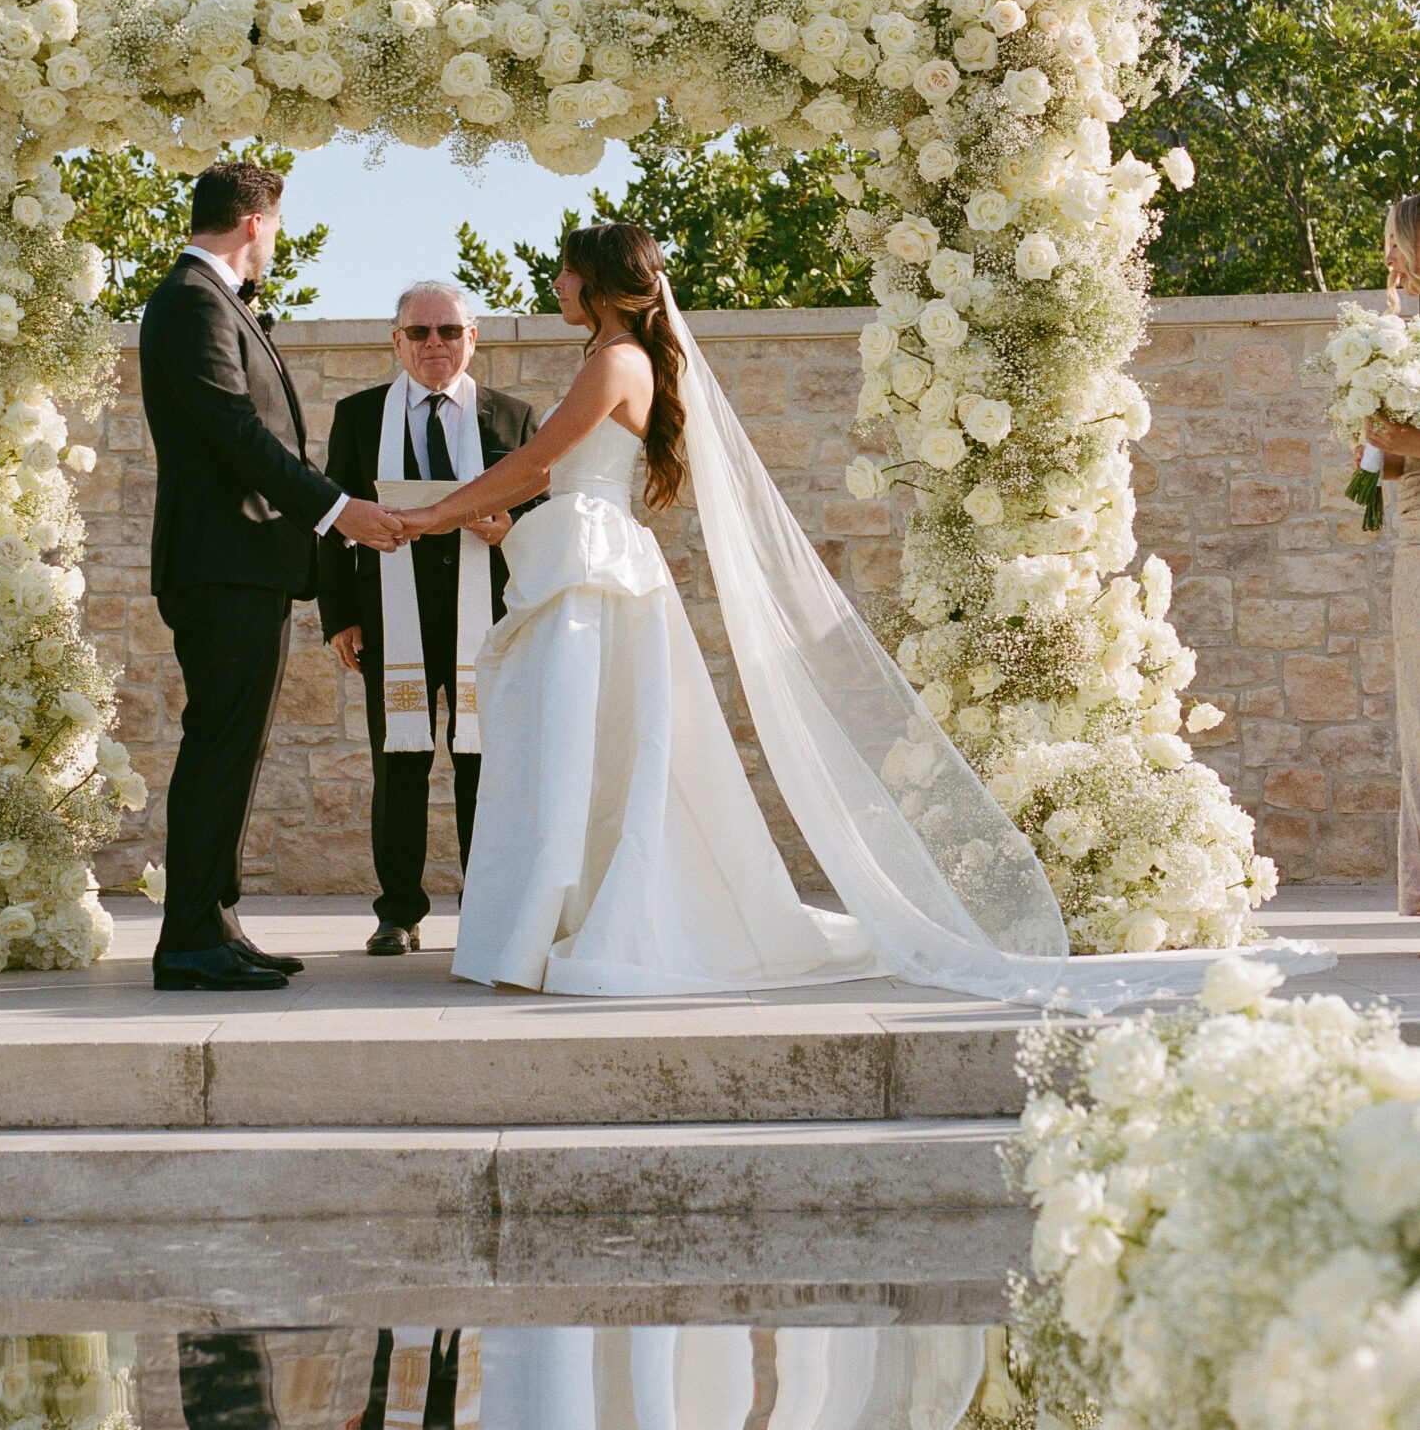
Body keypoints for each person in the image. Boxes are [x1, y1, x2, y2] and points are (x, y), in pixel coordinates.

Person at [398, 221, 1312, 1008]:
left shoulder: (615, 362)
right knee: (576, 745)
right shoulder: (613, 360)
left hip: (592, 566)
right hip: (583, 557)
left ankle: (565, 925)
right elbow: (554, 474)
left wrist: (431, 515)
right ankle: (558, 919)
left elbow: (533, 464)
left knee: (574, 743)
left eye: (566, 272)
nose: (556, 284)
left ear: (598, 283)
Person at [138, 161, 406, 993]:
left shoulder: (209, 299)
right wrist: (337, 510)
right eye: (276, 228)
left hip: (245, 565)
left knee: (235, 747)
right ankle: (188, 940)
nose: (275, 243)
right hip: (221, 564)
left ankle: (215, 924)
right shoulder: (191, 300)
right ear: (255, 222)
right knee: (219, 746)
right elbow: (234, 431)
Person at [318, 282, 539, 955]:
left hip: (487, 620)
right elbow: (332, 521)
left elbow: (541, 514)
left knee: (484, 764)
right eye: (419, 332)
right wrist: (340, 616)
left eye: (448, 331)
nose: (434, 343)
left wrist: (510, 528)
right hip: (391, 617)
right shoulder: (359, 417)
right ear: (397, 341)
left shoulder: (512, 419)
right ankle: (398, 912)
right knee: (400, 765)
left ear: (473, 337)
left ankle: (487, 906)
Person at [1361, 193, 1420, 914]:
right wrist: (1383, 457)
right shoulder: (1407, 343)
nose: (1388, 265)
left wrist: (1411, 442)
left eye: (1395, 247)